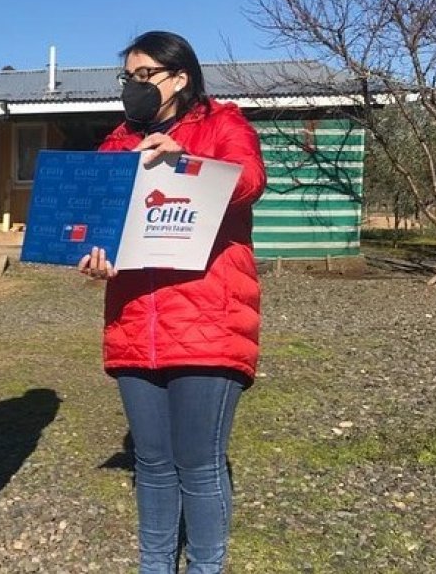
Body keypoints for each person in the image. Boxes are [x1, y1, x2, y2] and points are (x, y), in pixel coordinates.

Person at [78, 30, 266, 574]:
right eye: (127, 78)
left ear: (180, 78)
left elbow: (250, 179)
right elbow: (97, 225)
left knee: (200, 464)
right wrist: (93, 258)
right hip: (137, 323)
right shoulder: (117, 144)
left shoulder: (222, 125)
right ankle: (154, 565)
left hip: (210, 320)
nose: (133, 88)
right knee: (153, 464)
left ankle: (208, 566)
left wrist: (188, 162)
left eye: (145, 76)